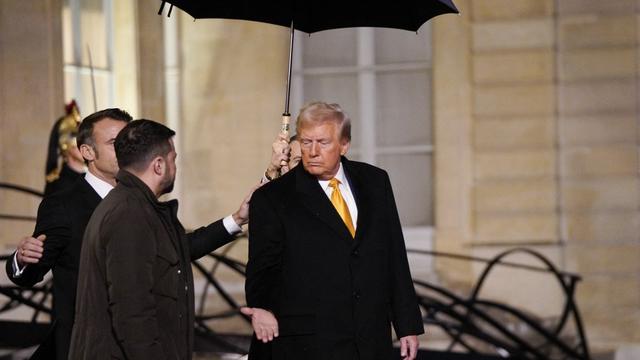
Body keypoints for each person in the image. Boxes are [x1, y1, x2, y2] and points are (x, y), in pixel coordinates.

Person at [6, 110, 252, 360]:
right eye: (114, 143)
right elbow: (33, 270)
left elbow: (177, 249)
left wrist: (236, 219)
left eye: (127, 140)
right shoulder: (64, 205)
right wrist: (22, 259)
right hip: (84, 345)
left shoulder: (142, 199)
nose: (124, 148)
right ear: (88, 152)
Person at [244, 102, 424, 360]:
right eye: (306, 142)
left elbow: (394, 255)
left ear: (344, 144)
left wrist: (407, 325)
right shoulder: (274, 198)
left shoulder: (375, 182)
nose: (313, 152)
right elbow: (262, 268)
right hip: (311, 341)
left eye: (323, 142)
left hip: (370, 337)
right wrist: (261, 308)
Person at [43, 100, 85, 196]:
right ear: (65, 145)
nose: (86, 145)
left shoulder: (88, 180)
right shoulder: (58, 186)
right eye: (77, 138)